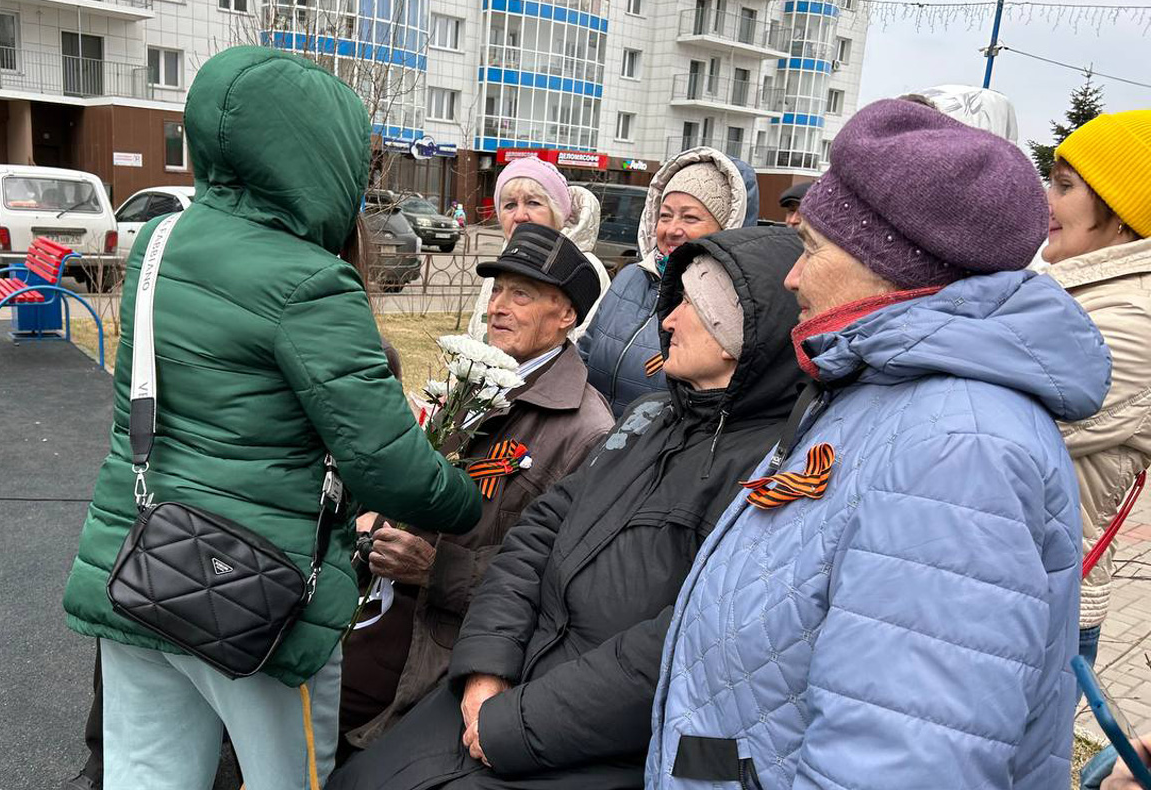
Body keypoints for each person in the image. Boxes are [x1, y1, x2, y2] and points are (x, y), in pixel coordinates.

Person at [646, 99, 1111, 790]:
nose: (791, 277)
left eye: (811, 249)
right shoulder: (884, 388)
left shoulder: (959, 449)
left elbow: (903, 761)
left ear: (888, 265)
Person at [60, 46, 482, 790]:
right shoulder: (312, 281)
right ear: (323, 156)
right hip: (259, 593)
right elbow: (386, 465)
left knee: (146, 776)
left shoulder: (158, 243)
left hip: (141, 560)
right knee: (288, 779)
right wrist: (468, 503)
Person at [329, 225, 807, 790]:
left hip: (572, 728)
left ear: (744, 334)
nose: (668, 321)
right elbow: (535, 539)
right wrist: (485, 670)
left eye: (695, 308)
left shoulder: (768, 466)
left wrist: (511, 719)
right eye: (497, 291)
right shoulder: (649, 418)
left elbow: (680, 638)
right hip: (497, 672)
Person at [338, 222, 614, 759]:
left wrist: (433, 569)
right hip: (382, 605)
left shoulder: (586, 431)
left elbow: (556, 580)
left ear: (567, 315)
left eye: (521, 295)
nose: (497, 307)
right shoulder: (477, 381)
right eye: (497, 290)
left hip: (446, 643)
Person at [1041, 110, 1151, 673]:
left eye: (1064, 187)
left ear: (1124, 212)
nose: (1047, 201)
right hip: (1016, 582)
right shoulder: (1076, 293)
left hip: (1046, 601)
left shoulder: (1136, 316)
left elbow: (1002, 420)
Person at [578, 146, 759, 417]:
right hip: (593, 434)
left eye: (690, 217)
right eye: (665, 215)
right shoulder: (631, 277)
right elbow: (584, 354)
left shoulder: (731, 306)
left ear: (726, 227)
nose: (672, 229)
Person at [467, 157, 609, 341]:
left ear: (558, 212)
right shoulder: (501, 265)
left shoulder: (585, 268)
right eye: (510, 205)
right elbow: (478, 333)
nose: (520, 216)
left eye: (533, 203)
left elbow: (584, 347)